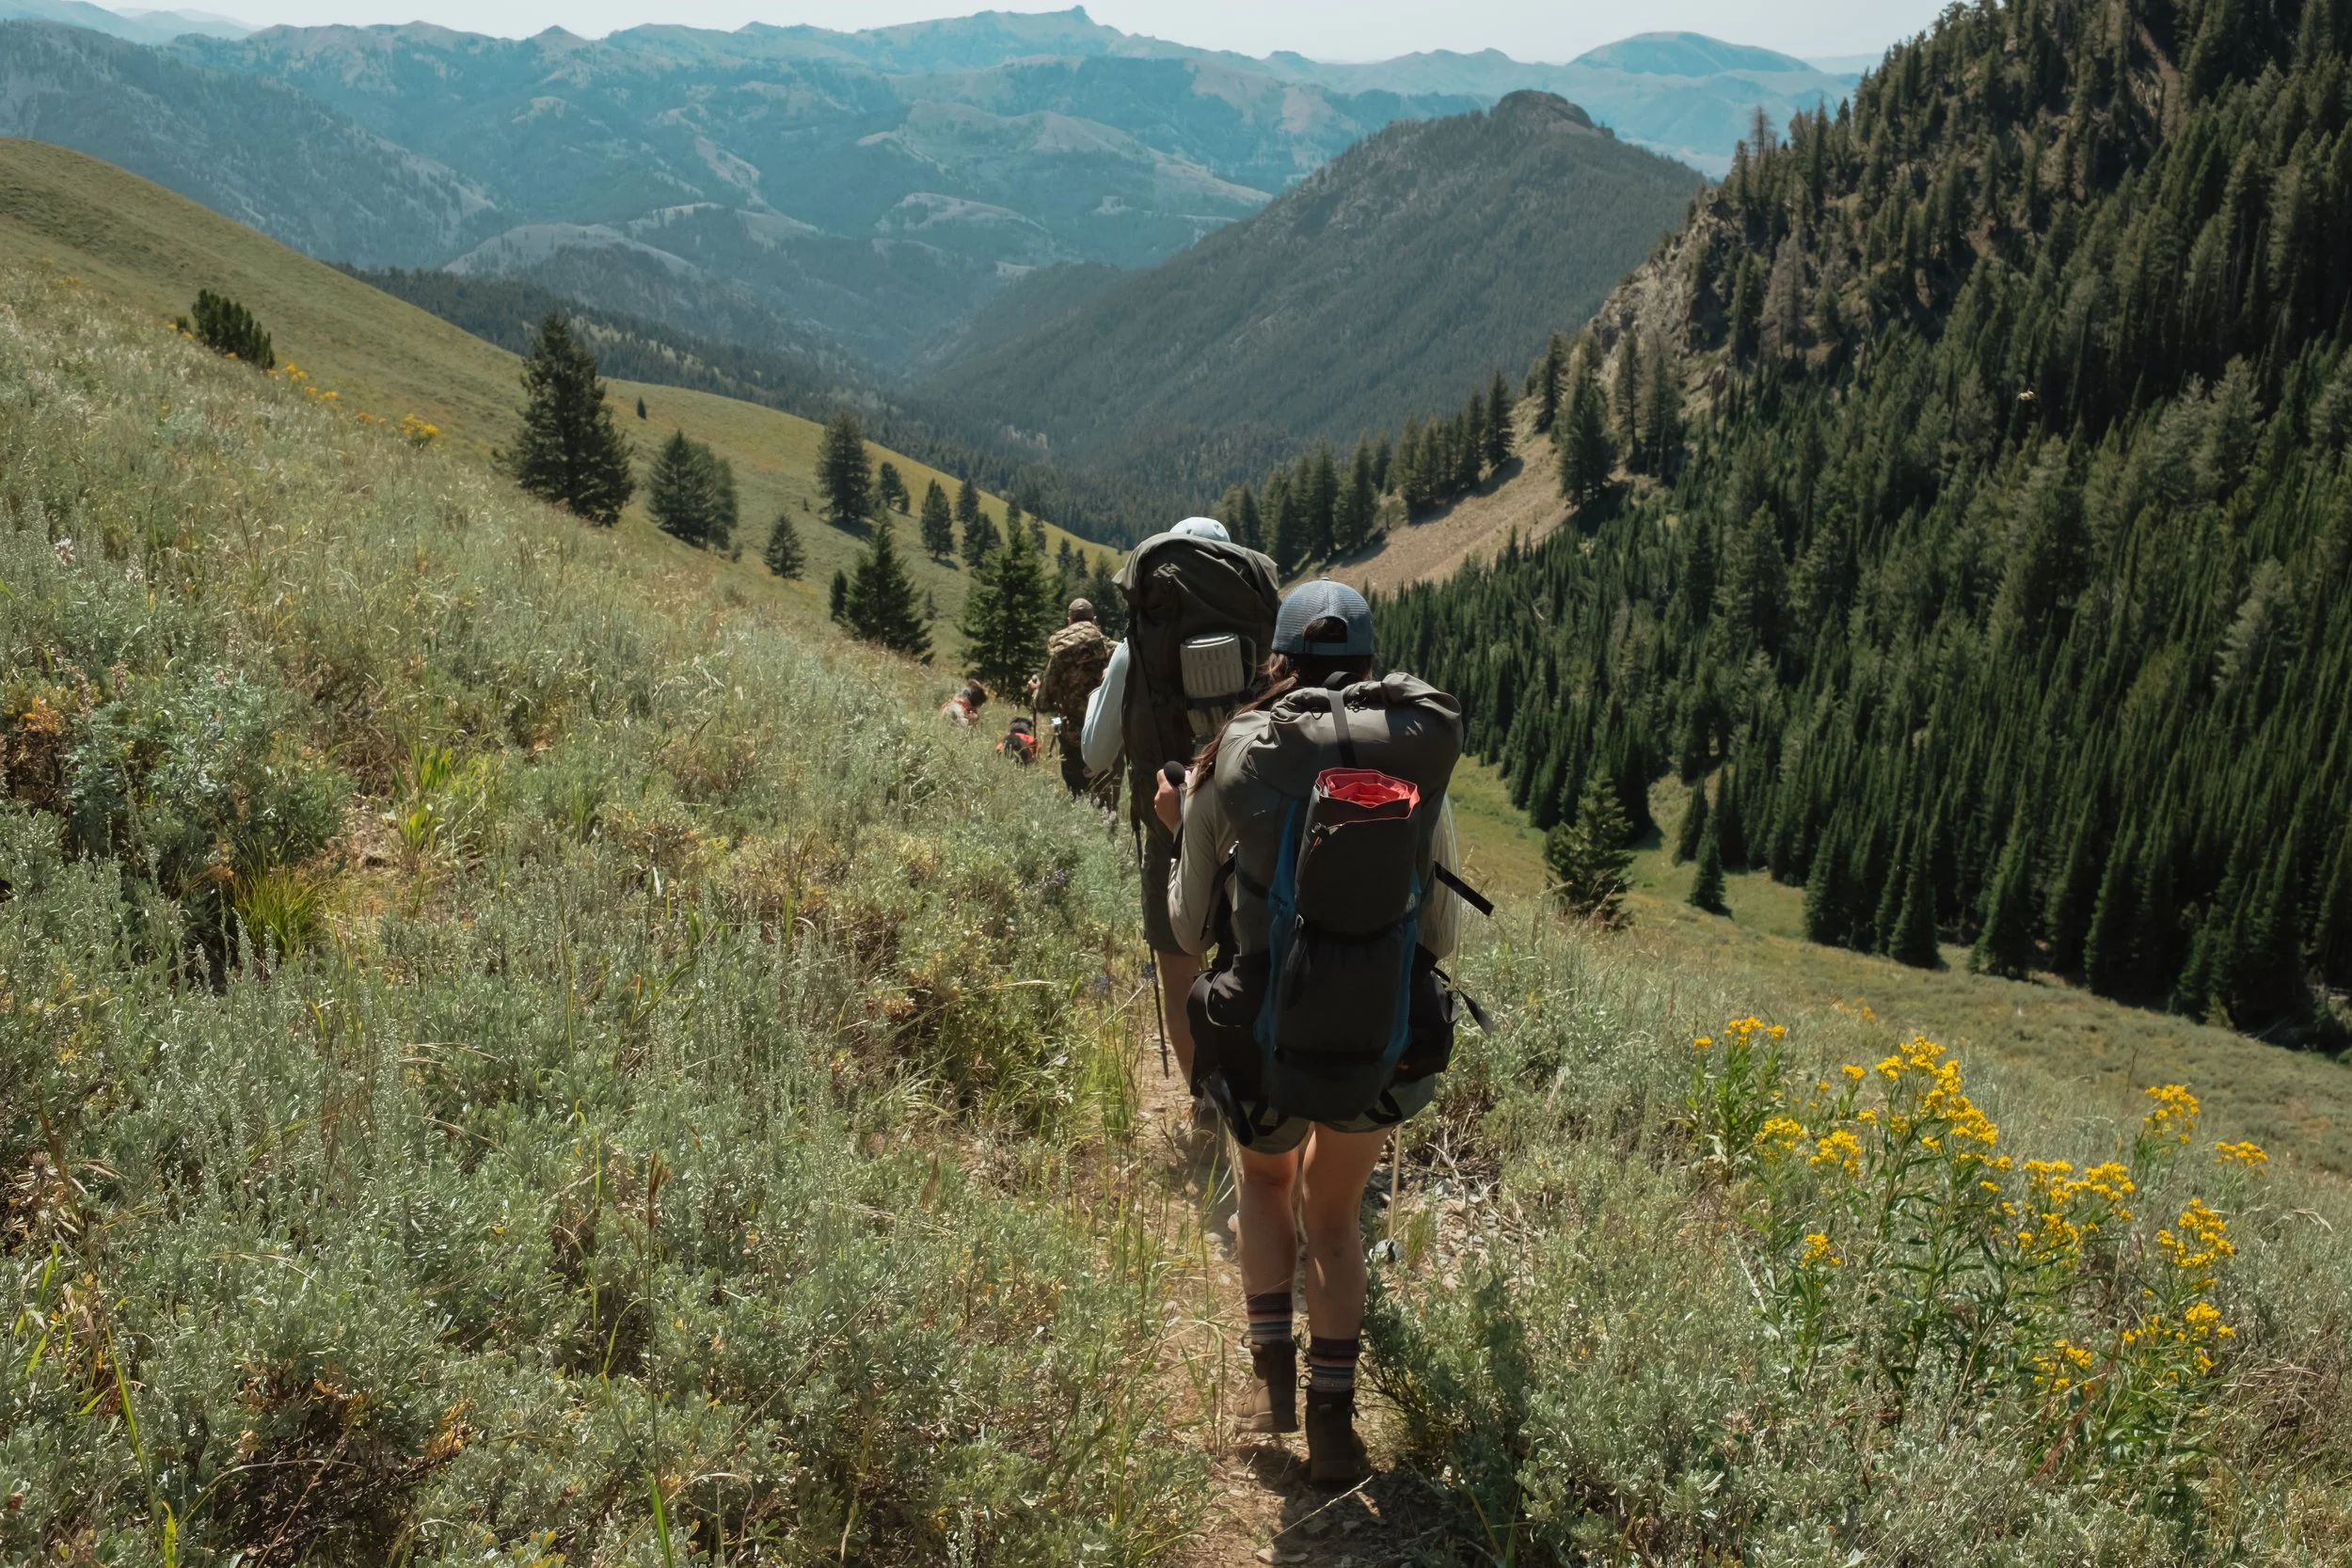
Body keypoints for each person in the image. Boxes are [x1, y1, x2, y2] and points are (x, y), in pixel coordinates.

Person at [1154, 578, 1468, 1486]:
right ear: (1369, 669)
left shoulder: (1238, 755)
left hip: (1262, 1033)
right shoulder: (1415, 769)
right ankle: (1336, 1427)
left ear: (1277, 661)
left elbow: (1182, 929)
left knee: (1264, 1183)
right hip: (1378, 1032)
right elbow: (1442, 933)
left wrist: (1185, 830)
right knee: (1333, 1217)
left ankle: (1271, 1389)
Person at [1083, 517, 1280, 1099]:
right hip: (1254, 824)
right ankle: (1262, 1098)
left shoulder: (1138, 645)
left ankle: (1208, 1104)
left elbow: (1096, 755)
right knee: (1255, 961)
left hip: (1170, 818)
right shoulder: (1264, 637)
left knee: (1179, 971)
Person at [1036, 598, 1113, 800]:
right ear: (1094, 620)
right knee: (1106, 798)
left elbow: (1042, 703)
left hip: (1073, 735)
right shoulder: (1110, 650)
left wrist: (1035, 691)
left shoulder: (1059, 655)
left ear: (1069, 620)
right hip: (1107, 734)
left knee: (1078, 795)